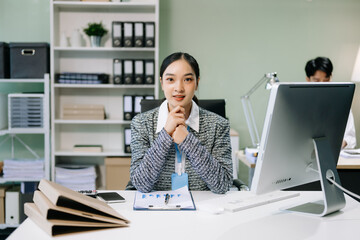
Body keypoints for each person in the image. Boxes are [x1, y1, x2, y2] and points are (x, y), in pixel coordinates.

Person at [128, 52, 233, 194]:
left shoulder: (218, 125)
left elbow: (223, 185)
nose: (179, 88)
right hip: (157, 210)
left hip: (203, 210)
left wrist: (187, 141)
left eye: (187, 79)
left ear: (197, 83)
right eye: (170, 79)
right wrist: (165, 134)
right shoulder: (141, 123)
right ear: (162, 83)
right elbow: (141, 184)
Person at [305, 57, 356, 148]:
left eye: (326, 80)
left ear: (331, 77)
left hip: (335, 155)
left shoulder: (342, 102)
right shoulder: (300, 103)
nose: (322, 85)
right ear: (308, 79)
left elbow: (351, 139)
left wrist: (339, 144)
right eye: (317, 81)